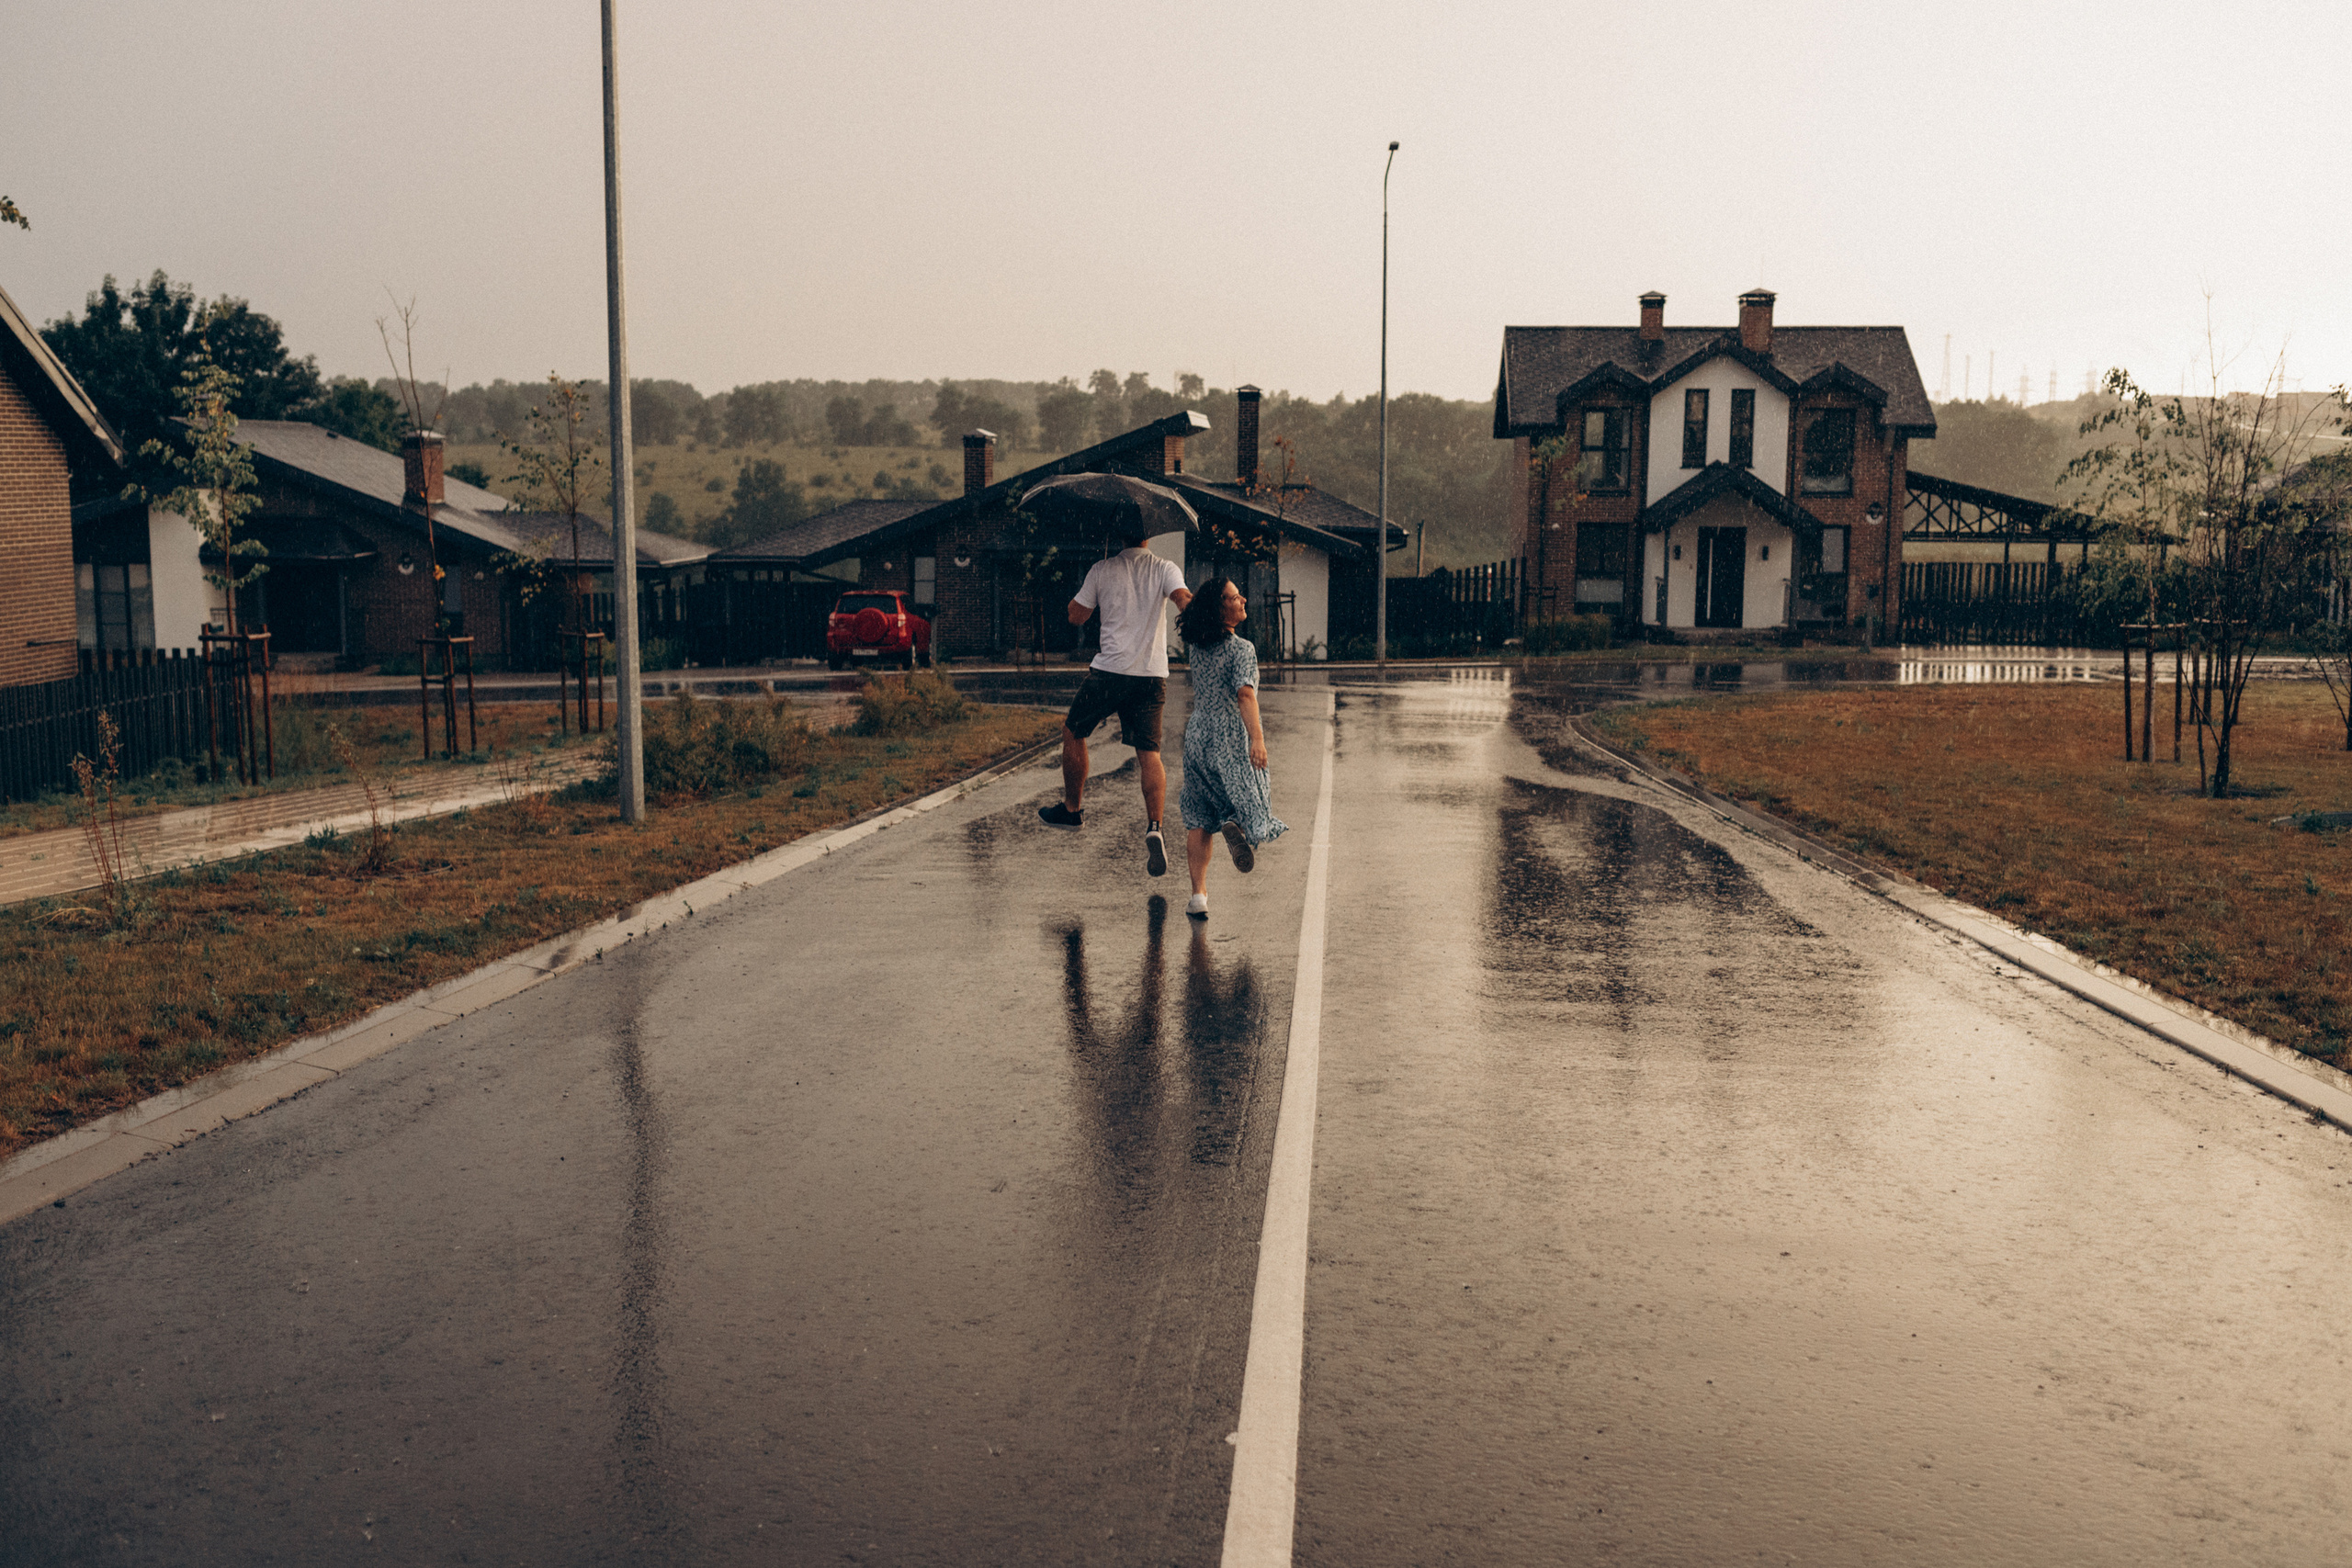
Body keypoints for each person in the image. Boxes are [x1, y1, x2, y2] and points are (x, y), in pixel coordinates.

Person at [1037, 531, 1193, 877]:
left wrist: (1088, 590)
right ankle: (1155, 825)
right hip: (1151, 675)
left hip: (1110, 672)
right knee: (1148, 753)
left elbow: (1076, 616)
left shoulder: (1101, 568)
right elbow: (1183, 598)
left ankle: (1073, 808)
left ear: (1119, 534)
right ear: (1149, 535)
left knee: (1074, 730)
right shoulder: (1165, 568)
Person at [1173, 576, 1285, 919]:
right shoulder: (1242, 649)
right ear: (1221, 606)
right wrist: (1258, 738)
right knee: (1245, 792)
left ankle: (1198, 896)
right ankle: (1234, 821)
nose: (1244, 601)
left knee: (1198, 815)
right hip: (1228, 734)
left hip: (1197, 734)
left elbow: (1190, 606)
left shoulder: (1198, 644)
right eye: (1236, 597)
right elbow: (1245, 694)